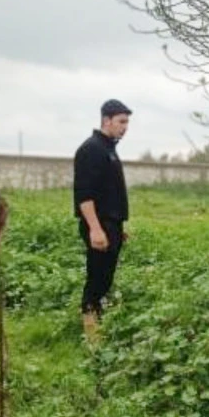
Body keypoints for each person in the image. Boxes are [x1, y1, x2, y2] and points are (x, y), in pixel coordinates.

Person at [73, 99, 132, 342]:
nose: (125, 127)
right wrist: (96, 229)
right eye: (121, 121)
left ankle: (99, 320)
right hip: (99, 225)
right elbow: (84, 195)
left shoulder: (109, 148)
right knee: (97, 276)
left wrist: (118, 226)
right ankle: (91, 330)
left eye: (127, 122)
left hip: (111, 224)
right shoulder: (91, 149)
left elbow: (109, 192)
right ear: (106, 120)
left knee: (106, 276)